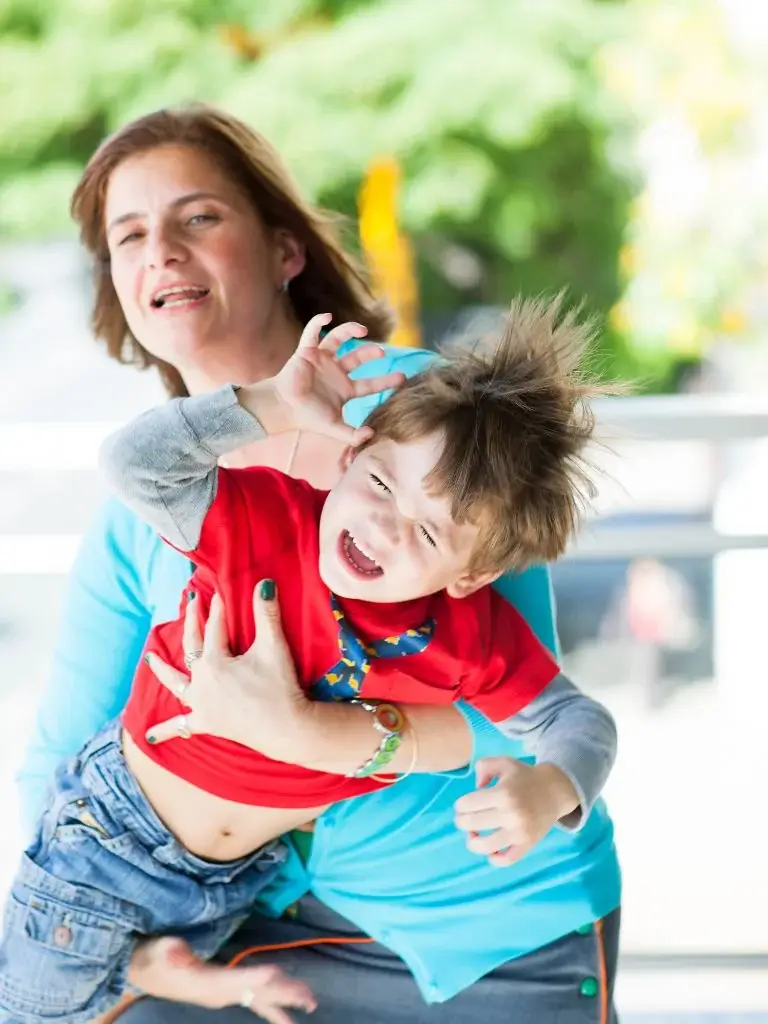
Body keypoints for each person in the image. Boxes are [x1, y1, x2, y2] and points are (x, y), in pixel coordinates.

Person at [13, 106, 620, 1023]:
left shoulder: (427, 418)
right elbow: (57, 763)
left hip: (491, 928)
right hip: (263, 920)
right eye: (128, 236)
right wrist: (114, 953)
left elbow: (516, 715)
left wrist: (310, 736)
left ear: (285, 249)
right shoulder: (151, 512)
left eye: (198, 217)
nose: (161, 252)